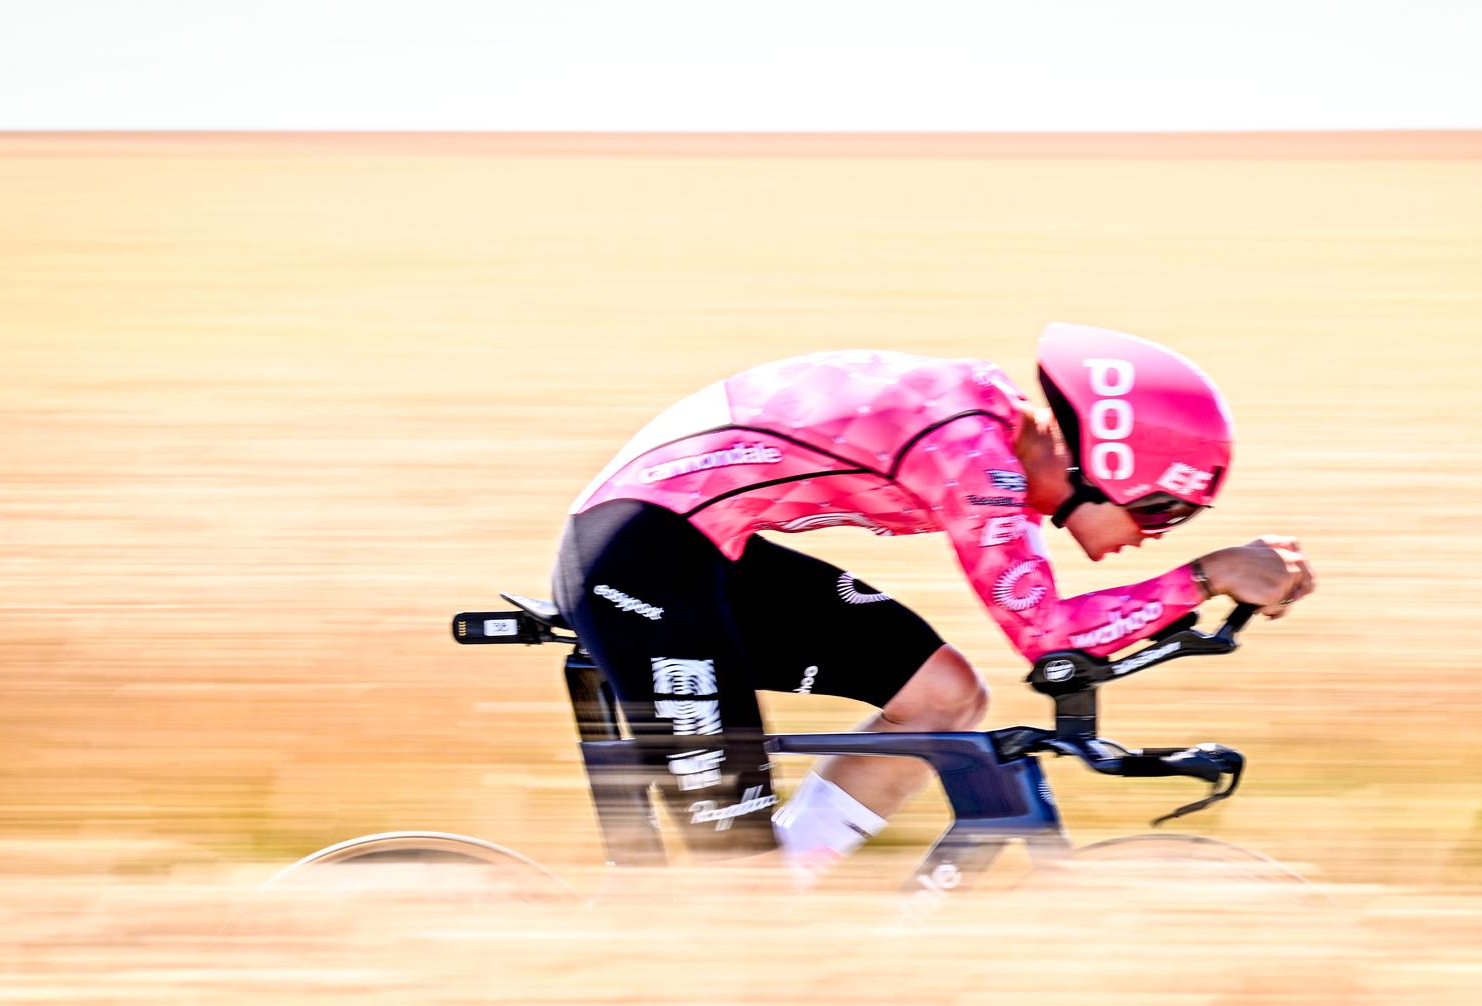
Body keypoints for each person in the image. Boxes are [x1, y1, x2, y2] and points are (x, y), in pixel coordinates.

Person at [551, 323, 1315, 876]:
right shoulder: (970, 454)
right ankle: (741, 927)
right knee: (736, 878)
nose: (1156, 534)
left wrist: (1203, 582)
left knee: (942, 698)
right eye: (1161, 510)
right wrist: (1204, 577)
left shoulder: (997, 443)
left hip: (698, 548)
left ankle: (783, 895)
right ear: (1102, 464)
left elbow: (1049, 621)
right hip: (639, 559)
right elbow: (1051, 636)